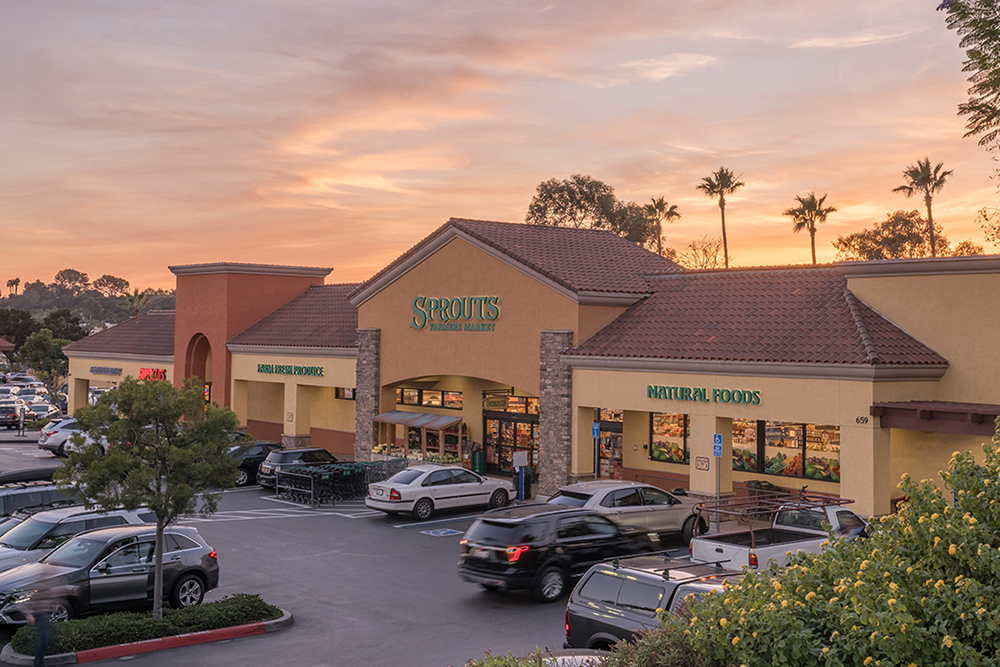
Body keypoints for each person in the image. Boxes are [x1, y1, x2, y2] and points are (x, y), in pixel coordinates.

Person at [13, 581, 75, 667]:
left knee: (47, 636)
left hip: (44, 615)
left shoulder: (51, 589)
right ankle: (37, 663)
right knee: (44, 638)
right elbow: (23, 605)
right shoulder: (42, 589)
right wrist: (29, 615)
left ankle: (42, 659)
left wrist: (69, 592)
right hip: (38, 615)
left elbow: (58, 596)